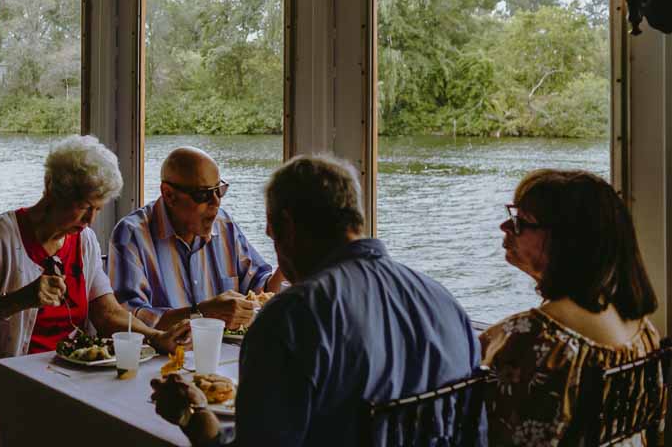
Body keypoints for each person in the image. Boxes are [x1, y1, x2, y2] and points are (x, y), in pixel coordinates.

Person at [152, 154, 483, 446]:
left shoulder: (291, 319)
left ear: (288, 227)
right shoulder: (445, 304)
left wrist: (193, 415)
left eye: (272, 235)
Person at [0, 135, 191, 446]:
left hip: (73, 383)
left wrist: (155, 337)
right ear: (53, 191)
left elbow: (106, 312)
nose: (91, 219)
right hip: (3, 391)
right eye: (83, 207)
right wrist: (21, 300)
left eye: (97, 208)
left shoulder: (83, 241)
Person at [481, 169, 660, 446]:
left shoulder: (538, 337)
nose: (505, 227)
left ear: (567, 241)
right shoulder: (642, 330)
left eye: (521, 221)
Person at [108, 147, 284, 330]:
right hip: (165, 357)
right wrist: (201, 314)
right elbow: (127, 321)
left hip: (226, 354)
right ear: (169, 195)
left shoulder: (225, 225)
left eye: (219, 190)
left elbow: (263, 292)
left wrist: (290, 254)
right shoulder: (131, 235)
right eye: (203, 194)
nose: (216, 203)